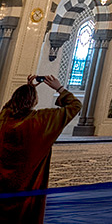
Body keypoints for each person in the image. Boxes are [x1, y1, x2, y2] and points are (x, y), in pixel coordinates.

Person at [0, 74, 81, 224]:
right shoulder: (41, 120)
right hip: (27, 189)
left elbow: (7, 107)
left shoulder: (4, 119)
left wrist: (28, 88)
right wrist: (59, 88)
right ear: (34, 101)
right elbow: (75, 106)